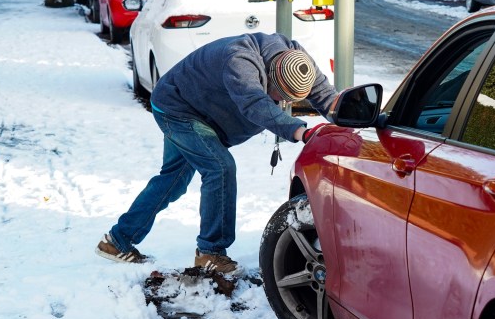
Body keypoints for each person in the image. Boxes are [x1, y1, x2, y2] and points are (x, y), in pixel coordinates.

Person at [96, 32, 337, 273]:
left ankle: (117, 241)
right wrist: (300, 132)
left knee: (173, 180)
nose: (282, 103)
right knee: (219, 168)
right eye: (280, 97)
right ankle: (210, 252)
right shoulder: (240, 60)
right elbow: (255, 103)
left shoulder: (296, 61)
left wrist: (358, 112)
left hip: (199, 111)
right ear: (270, 79)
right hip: (178, 109)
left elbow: (327, 98)